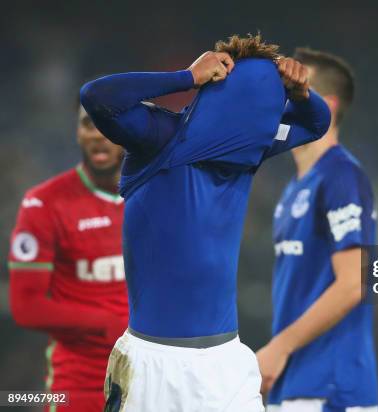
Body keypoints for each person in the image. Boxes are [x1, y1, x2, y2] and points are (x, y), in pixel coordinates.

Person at [80, 34, 331, 412]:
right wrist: (185, 77)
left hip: (227, 362)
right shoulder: (161, 138)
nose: (262, 120)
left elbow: (317, 123)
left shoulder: (250, 150)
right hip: (154, 364)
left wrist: (301, 94)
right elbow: (97, 97)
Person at [258, 48, 378, 412]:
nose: (277, 102)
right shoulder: (295, 187)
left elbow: (353, 283)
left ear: (324, 105)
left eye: (289, 92)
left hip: (331, 389)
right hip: (295, 385)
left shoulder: (340, 176)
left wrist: (280, 347)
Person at [8, 104, 127, 412]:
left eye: (107, 126)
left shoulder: (152, 198)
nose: (97, 136)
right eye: (88, 125)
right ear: (77, 132)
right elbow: (25, 306)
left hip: (151, 373)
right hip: (81, 384)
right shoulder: (44, 203)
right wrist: (105, 322)